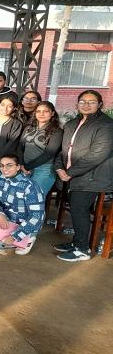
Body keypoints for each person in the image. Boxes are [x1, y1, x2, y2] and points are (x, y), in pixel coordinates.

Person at [53, 90, 113, 262]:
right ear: (77, 104)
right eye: (82, 101)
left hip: (93, 176)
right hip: (72, 175)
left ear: (100, 104)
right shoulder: (72, 123)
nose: (86, 105)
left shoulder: (106, 125)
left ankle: (82, 250)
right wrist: (59, 168)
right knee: (75, 207)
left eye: (91, 102)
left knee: (79, 208)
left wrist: (69, 173)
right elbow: (63, 150)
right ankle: (77, 242)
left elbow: (97, 154)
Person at [0, 154, 45, 255]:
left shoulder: (30, 187)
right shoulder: (0, 180)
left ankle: (23, 240)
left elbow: (36, 217)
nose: (4, 169)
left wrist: (14, 236)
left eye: (9, 165)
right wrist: (0, 214)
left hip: (22, 225)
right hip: (7, 219)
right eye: (2, 165)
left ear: (18, 167)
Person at [18, 101, 63, 194]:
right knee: (20, 198)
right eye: (38, 111)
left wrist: (27, 167)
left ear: (52, 113)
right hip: (24, 168)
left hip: (44, 170)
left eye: (45, 111)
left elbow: (49, 153)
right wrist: (22, 164)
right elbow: (20, 147)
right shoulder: (28, 128)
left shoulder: (57, 131)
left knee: (35, 199)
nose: (41, 114)